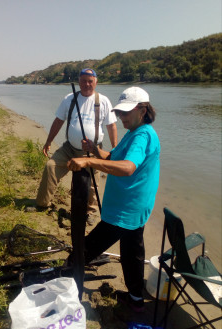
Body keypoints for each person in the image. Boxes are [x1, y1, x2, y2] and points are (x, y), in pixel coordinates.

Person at [67, 86, 160, 312]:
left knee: (87, 248)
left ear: (142, 110)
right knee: (131, 253)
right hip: (131, 206)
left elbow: (128, 167)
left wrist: (89, 162)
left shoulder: (143, 135)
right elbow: (114, 158)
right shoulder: (134, 132)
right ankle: (136, 298)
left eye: (126, 113)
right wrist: (95, 150)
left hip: (126, 209)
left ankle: (68, 277)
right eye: (119, 112)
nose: (120, 117)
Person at [35, 68, 118, 225]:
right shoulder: (69, 99)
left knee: (92, 183)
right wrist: (48, 141)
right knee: (51, 166)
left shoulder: (103, 101)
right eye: (83, 81)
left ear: (96, 82)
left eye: (90, 81)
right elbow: (58, 121)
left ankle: (89, 212)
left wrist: (115, 149)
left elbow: (111, 126)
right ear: (79, 82)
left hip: (92, 151)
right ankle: (42, 204)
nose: (87, 84)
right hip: (69, 149)